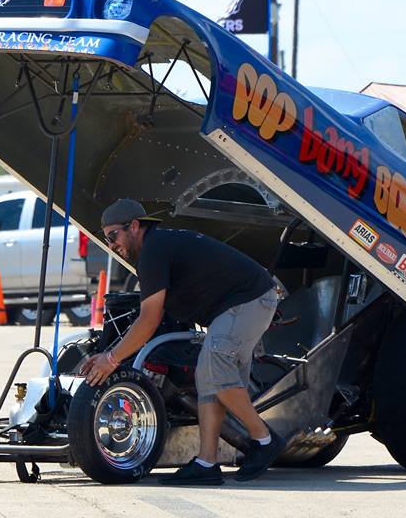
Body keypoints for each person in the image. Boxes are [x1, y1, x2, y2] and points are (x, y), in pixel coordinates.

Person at [82, 199, 282, 485]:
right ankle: (207, 463)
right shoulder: (156, 247)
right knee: (209, 379)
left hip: (248, 300)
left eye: (113, 236)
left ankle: (264, 439)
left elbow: (149, 320)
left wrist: (111, 359)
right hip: (242, 304)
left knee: (213, 369)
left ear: (134, 226)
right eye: (106, 239)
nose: (111, 245)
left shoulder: (153, 249)